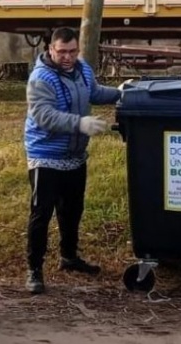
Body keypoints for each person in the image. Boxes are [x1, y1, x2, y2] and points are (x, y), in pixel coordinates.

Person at [22, 27, 122, 294]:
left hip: (75, 155)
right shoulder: (40, 78)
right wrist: (80, 123)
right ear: (51, 49)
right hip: (46, 155)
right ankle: (34, 269)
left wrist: (121, 92)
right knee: (41, 213)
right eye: (62, 52)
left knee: (72, 209)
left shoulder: (82, 69)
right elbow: (44, 116)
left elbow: (94, 92)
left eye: (72, 51)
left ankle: (69, 256)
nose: (67, 57)